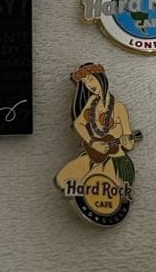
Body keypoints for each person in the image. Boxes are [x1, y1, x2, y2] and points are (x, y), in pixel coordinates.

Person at [55, 64, 137, 192]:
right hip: (94, 155)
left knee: (95, 184)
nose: (89, 85)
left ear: (101, 78)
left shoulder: (119, 107)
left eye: (90, 79)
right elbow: (78, 124)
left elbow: (129, 144)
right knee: (62, 179)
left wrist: (127, 141)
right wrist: (92, 143)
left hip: (116, 159)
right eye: (85, 83)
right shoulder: (92, 102)